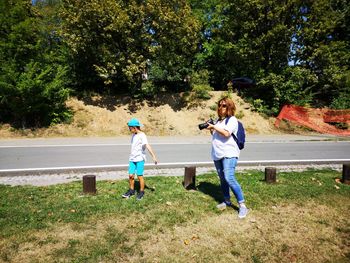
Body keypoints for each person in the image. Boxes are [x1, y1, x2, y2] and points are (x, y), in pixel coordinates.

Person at [206, 97, 248, 218]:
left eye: (224, 105)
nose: (221, 107)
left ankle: (242, 206)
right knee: (222, 179)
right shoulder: (218, 121)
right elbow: (216, 135)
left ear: (229, 107)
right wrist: (212, 128)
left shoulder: (232, 120)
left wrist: (213, 127)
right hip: (217, 154)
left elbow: (226, 133)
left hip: (229, 153)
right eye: (219, 105)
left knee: (229, 178)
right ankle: (226, 201)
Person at [122, 118, 158, 200]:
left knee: (139, 176)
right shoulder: (134, 135)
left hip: (140, 159)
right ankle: (131, 191)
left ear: (134, 127)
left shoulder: (142, 135)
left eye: (130, 128)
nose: (129, 129)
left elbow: (147, 145)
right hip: (132, 159)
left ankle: (141, 192)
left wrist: (154, 156)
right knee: (131, 175)